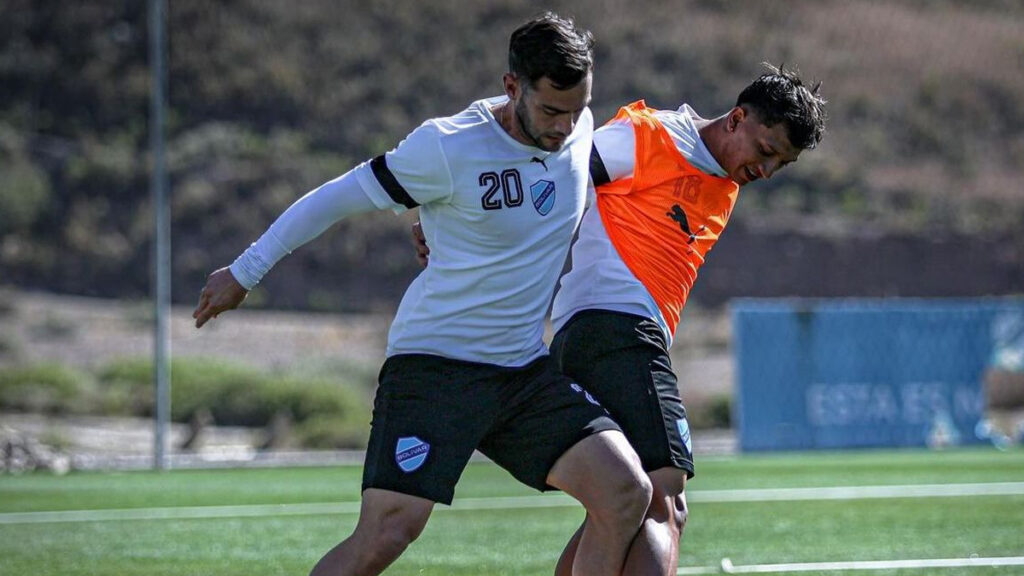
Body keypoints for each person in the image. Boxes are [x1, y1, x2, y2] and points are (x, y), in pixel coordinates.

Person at [192, 12, 652, 576]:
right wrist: (245, 270)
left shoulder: (579, 131)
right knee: (387, 533)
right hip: (437, 367)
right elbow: (336, 198)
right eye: (551, 110)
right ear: (513, 86)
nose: (564, 126)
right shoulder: (448, 146)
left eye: (576, 110)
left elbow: (651, 160)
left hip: (522, 371)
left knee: (625, 491)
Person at [413, 64, 827, 575]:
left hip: (597, 335)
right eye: (765, 151)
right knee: (665, 503)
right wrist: (456, 225)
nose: (764, 171)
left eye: (779, 165)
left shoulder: (724, 177)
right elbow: (549, 174)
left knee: (617, 508)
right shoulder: (648, 137)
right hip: (615, 328)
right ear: (737, 118)